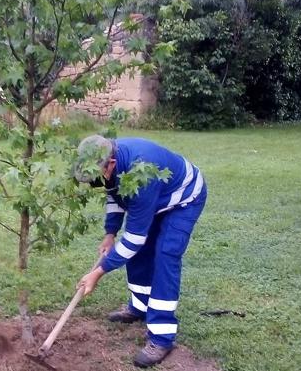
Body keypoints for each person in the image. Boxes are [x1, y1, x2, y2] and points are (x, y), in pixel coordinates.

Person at [74, 135, 207, 368]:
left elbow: (134, 240)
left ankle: (162, 338)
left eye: (96, 176)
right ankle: (139, 306)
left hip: (184, 199)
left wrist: (97, 273)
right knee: (140, 254)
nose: (94, 181)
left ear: (111, 164)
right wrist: (110, 233)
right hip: (157, 198)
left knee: (166, 255)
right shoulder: (108, 158)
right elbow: (115, 194)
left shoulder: (142, 175)